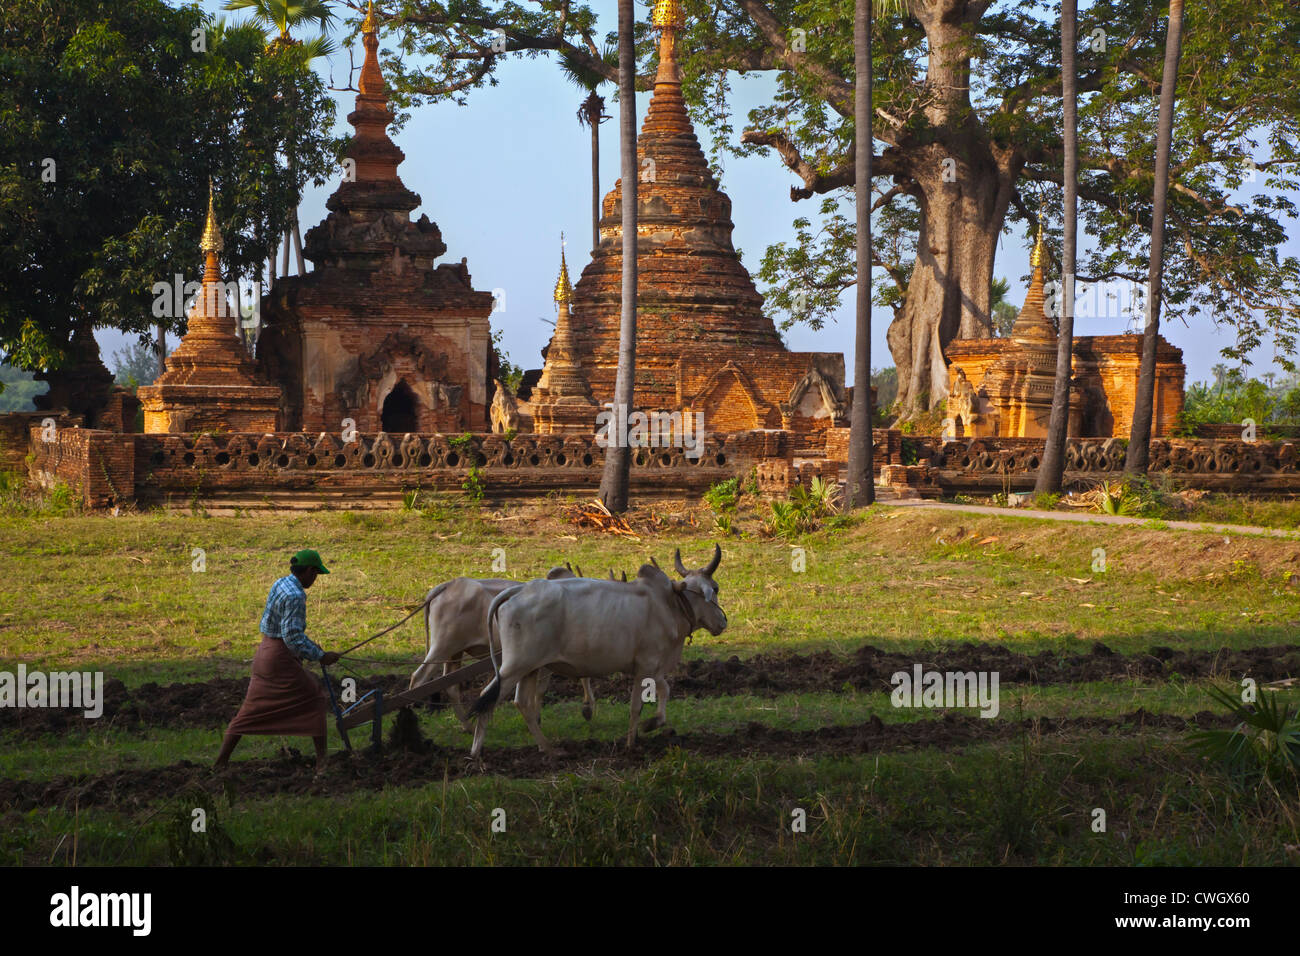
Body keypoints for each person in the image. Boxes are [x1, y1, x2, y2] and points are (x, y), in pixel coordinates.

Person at [214, 549, 341, 776]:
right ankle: (322, 764)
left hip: (265, 652)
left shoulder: (282, 583)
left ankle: (220, 763)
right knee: (315, 697)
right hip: (280, 658)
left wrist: (312, 647)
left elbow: (285, 629)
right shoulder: (296, 596)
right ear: (310, 571)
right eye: (316, 574)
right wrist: (320, 656)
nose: (316, 579)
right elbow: (292, 636)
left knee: (249, 712)